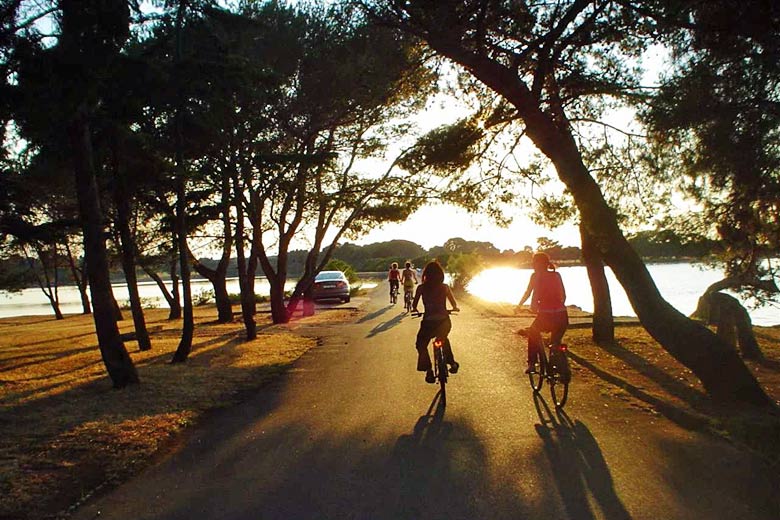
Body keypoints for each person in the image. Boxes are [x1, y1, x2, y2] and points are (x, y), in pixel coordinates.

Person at [516, 252, 569, 374]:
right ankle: (558, 365)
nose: (532, 264)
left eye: (534, 262)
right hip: (562, 315)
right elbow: (563, 295)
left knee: (533, 332)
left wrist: (519, 306)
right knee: (555, 343)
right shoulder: (557, 275)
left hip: (546, 315)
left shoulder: (535, 276)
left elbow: (528, 293)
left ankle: (532, 364)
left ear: (537, 263)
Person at [412, 260, 460, 383]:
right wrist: (454, 308)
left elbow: (414, 305)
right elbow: (454, 303)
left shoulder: (421, 288)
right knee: (443, 339)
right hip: (443, 321)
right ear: (440, 274)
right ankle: (452, 363)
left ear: (425, 275)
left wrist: (415, 310)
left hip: (428, 323)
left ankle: (428, 371)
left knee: (421, 344)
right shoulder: (444, 287)